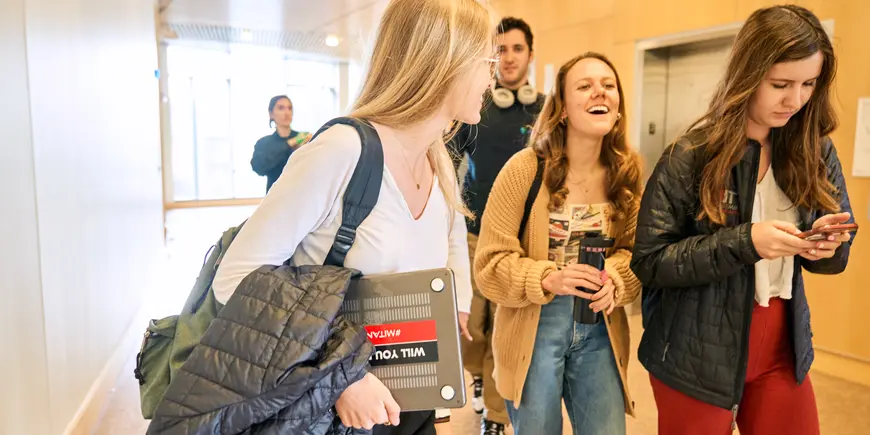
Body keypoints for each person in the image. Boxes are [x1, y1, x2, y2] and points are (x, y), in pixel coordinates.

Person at [212, 0, 497, 433]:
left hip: (406, 405)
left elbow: (450, 236)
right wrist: (341, 375)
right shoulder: (342, 151)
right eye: (486, 61)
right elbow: (235, 280)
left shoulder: (437, 160)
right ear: (446, 62)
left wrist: (452, 307)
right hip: (330, 409)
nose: (492, 77)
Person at [630, 5, 856, 435]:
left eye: (808, 84)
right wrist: (746, 241)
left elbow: (835, 258)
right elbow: (650, 262)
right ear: (748, 74)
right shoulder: (690, 155)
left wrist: (827, 246)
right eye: (780, 85)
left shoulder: (815, 150)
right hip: (694, 352)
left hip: (781, 345)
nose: (795, 100)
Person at [473, 52, 643, 435]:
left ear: (618, 106)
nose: (599, 92)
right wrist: (548, 278)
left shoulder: (627, 174)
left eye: (608, 85)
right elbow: (489, 266)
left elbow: (637, 255)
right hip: (534, 326)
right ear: (563, 108)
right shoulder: (525, 169)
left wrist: (615, 278)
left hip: (600, 325)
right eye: (584, 86)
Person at [447, 16, 544, 435]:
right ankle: (478, 376)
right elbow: (446, 161)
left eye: (517, 48)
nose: (509, 57)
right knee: (474, 325)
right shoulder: (475, 106)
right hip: (475, 232)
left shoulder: (546, 110)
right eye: (501, 49)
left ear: (530, 55)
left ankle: (496, 415)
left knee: (505, 327)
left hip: (524, 241)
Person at [250, 95, 312, 192]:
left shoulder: (304, 138)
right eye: (281, 108)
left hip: (301, 194)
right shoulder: (264, 143)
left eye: (289, 108)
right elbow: (258, 167)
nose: (286, 113)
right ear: (271, 113)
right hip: (275, 195)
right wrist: (289, 144)